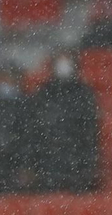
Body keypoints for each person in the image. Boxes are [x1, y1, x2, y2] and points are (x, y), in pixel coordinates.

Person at [33, 51, 101, 193]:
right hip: (49, 163)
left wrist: (87, 166)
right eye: (60, 61)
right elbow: (36, 129)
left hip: (77, 162)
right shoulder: (45, 92)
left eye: (67, 61)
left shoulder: (83, 93)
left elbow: (90, 131)